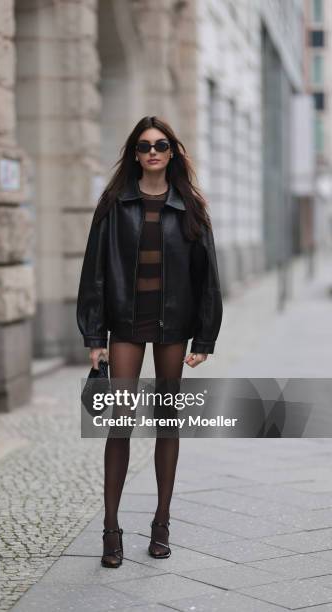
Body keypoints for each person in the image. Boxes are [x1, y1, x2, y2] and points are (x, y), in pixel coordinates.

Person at [76, 115, 223, 568]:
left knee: (166, 420)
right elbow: (94, 272)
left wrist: (206, 335)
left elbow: (207, 278)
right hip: (125, 323)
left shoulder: (191, 205)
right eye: (144, 146)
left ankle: (161, 523)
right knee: (119, 420)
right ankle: (111, 528)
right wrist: (93, 334)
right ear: (134, 154)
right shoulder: (114, 203)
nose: (153, 152)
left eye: (161, 145)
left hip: (174, 325)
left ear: (173, 151)